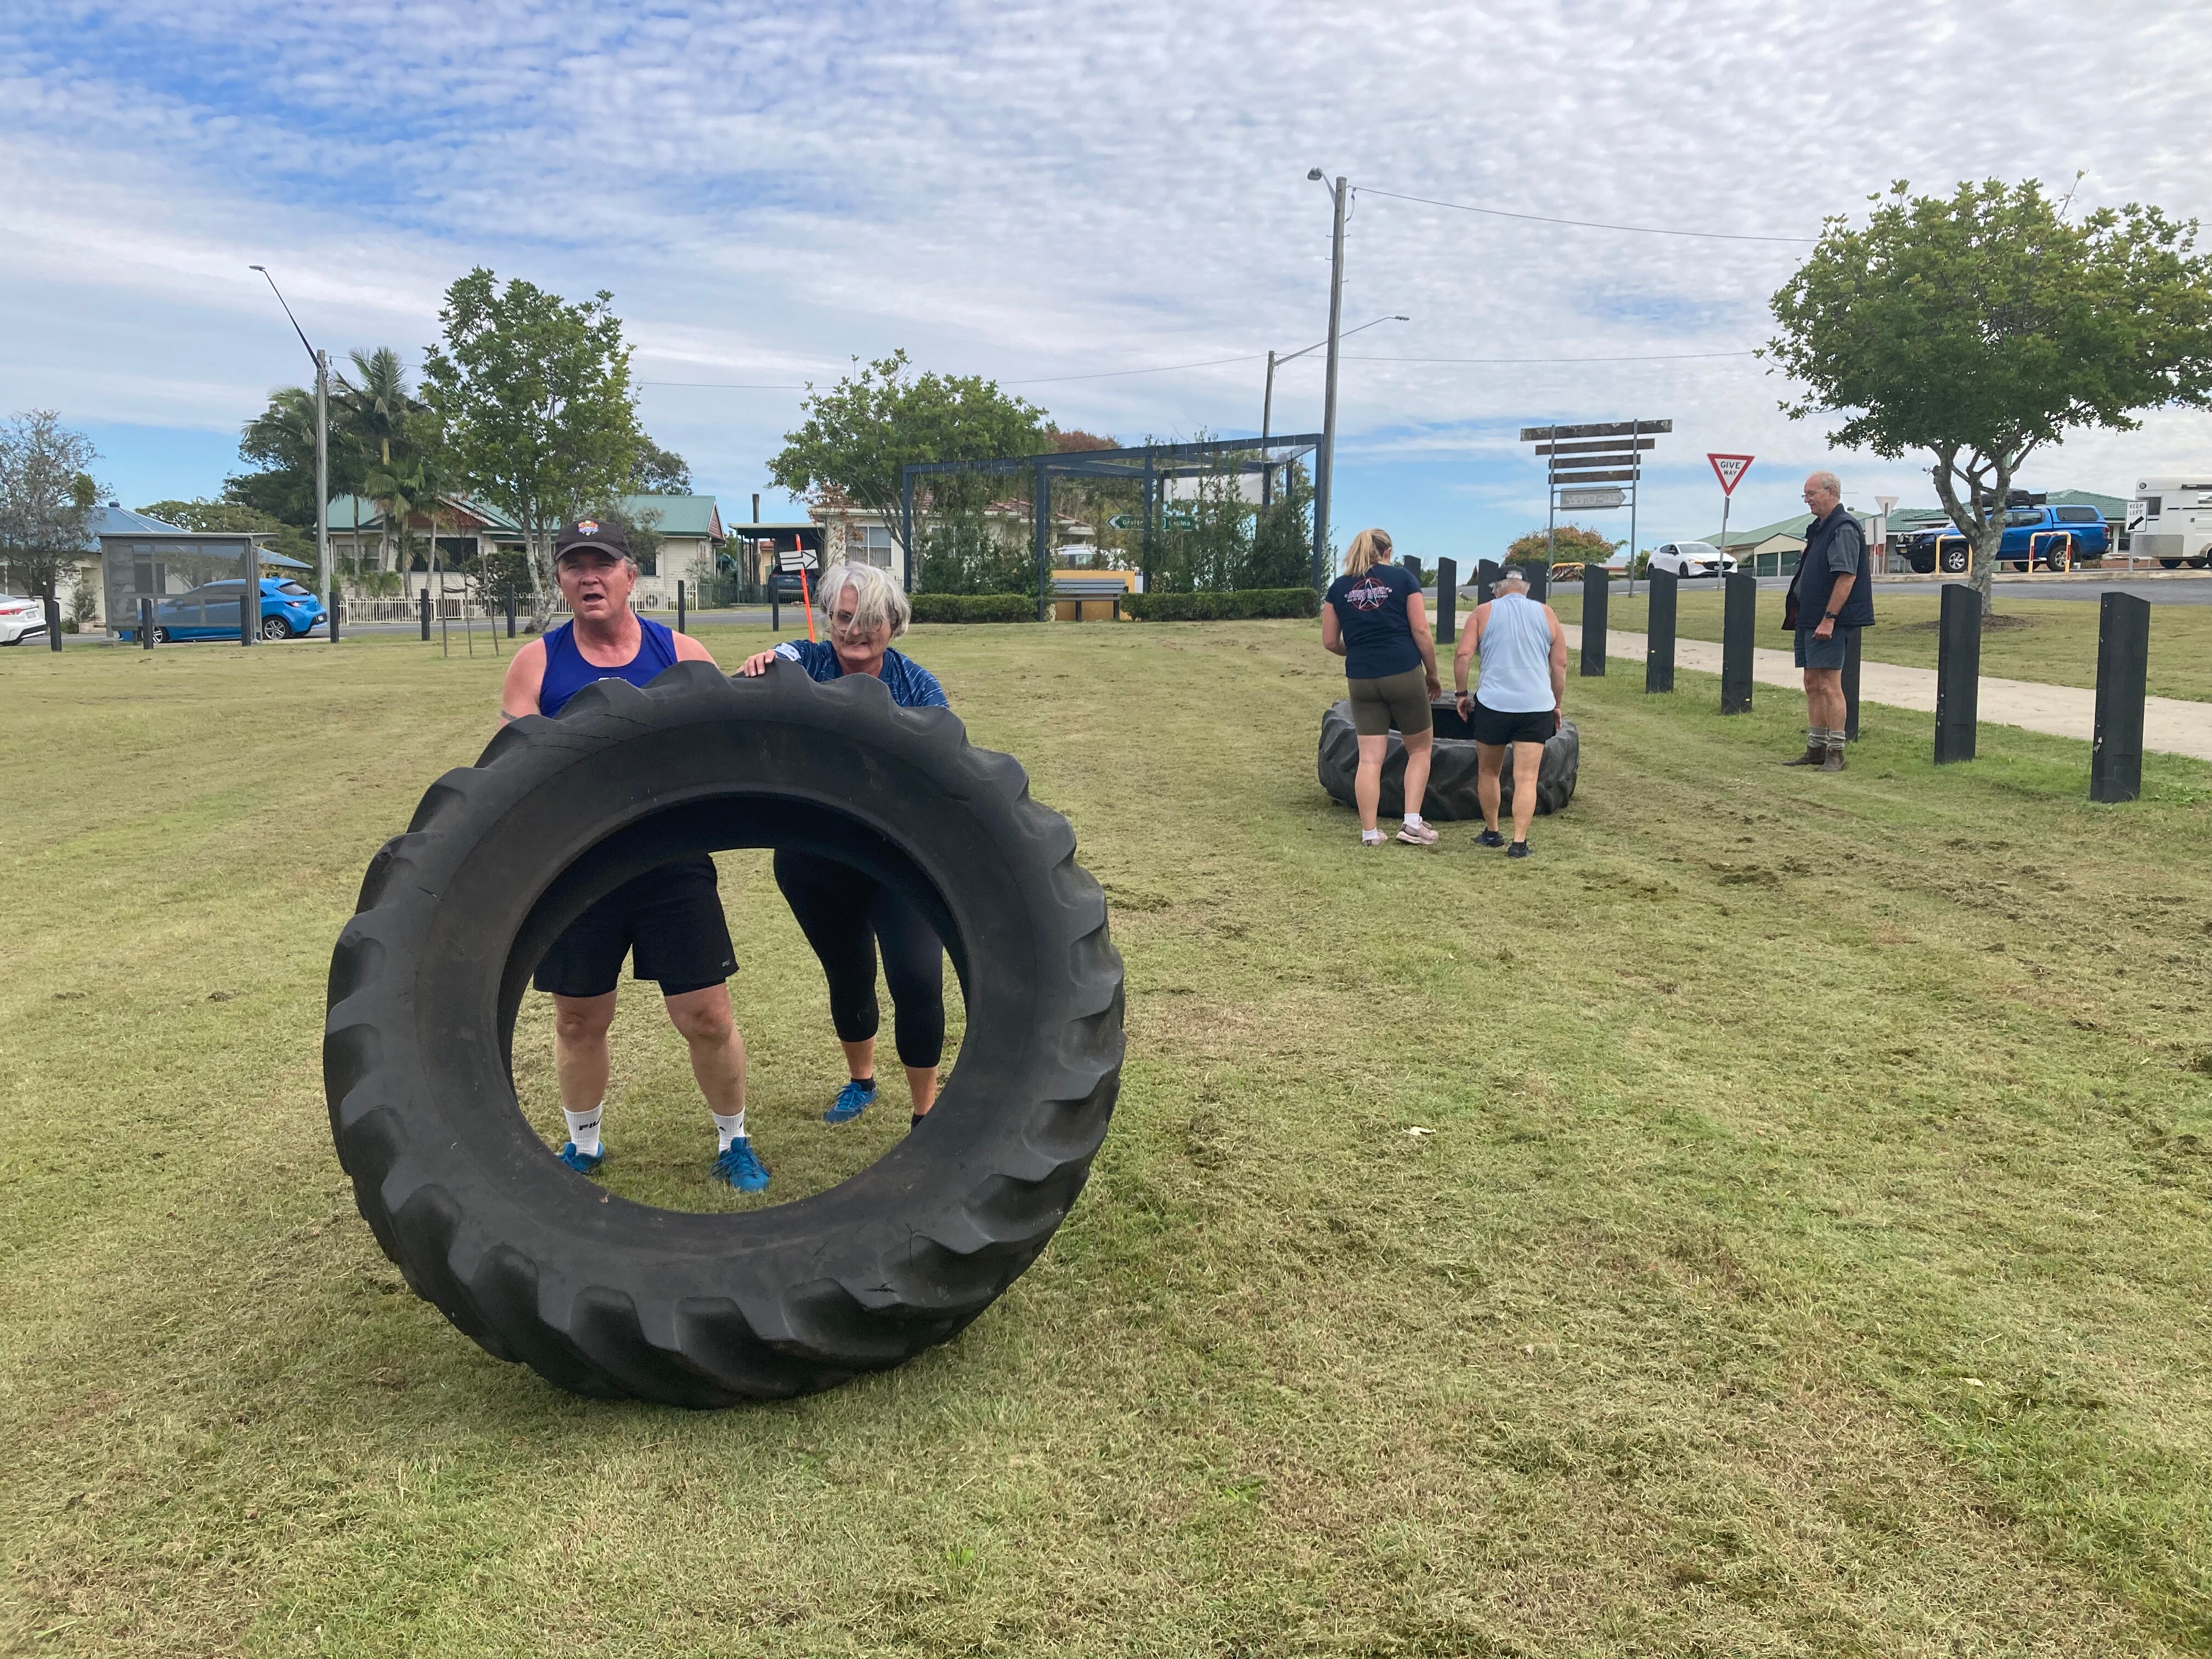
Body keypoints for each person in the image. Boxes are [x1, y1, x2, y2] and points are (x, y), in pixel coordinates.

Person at [498, 520, 768, 1193]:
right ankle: (584, 1147)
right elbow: (510, 771)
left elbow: (722, 748)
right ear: (561, 580)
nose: (588, 577)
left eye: (602, 564)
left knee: (707, 1017)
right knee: (578, 1019)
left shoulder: (680, 652)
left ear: (629, 576)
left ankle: (733, 1142)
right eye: (574, 566)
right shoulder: (537, 663)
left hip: (670, 863)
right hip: (578, 869)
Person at [739, 562, 952, 1132]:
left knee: (916, 978)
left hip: (898, 864)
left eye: (871, 619)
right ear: (828, 617)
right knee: (849, 973)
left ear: (894, 623)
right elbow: (766, 668)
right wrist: (760, 665)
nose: (855, 630)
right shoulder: (804, 662)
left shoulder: (918, 687)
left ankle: (926, 1114)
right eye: (844, 616)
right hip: (816, 863)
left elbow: (945, 768)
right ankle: (862, 1082)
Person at [1321, 528, 1442, 847]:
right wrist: (1432, 673)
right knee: (1420, 749)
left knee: (1370, 759)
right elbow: (1420, 630)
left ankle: (1370, 833)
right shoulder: (1403, 579)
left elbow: (1330, 641)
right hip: (1403, 671)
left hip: (1361, 678)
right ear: (1388, 552)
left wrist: (1359, 650)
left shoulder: (1338, 587)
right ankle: (1412, 823)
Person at [1453, 565, 1566, 860]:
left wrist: (1462, 694)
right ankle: (1519, 842)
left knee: (1488, 771)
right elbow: (1559, 665)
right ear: (1527, 588)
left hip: (1494, 704)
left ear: (1496, 588)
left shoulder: (1482, 612)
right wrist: (1556, 704)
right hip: (1536, 706)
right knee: (1527, 777)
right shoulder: (1547, 614)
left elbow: (1463, 654)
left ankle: (1492, 832)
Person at [1785, 471, 1874, 772]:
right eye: (1805, 495)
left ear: (1832, 492)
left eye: (1811, 494)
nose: (1807, 500)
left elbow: (1846, 577)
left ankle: (1836, 752)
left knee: (1829, 684)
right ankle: (1815, 748)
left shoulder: (1843, 527)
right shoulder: (1820, 528)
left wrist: (1829, 619)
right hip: (1809, 617)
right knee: (1812, 682)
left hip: (1829, 621)